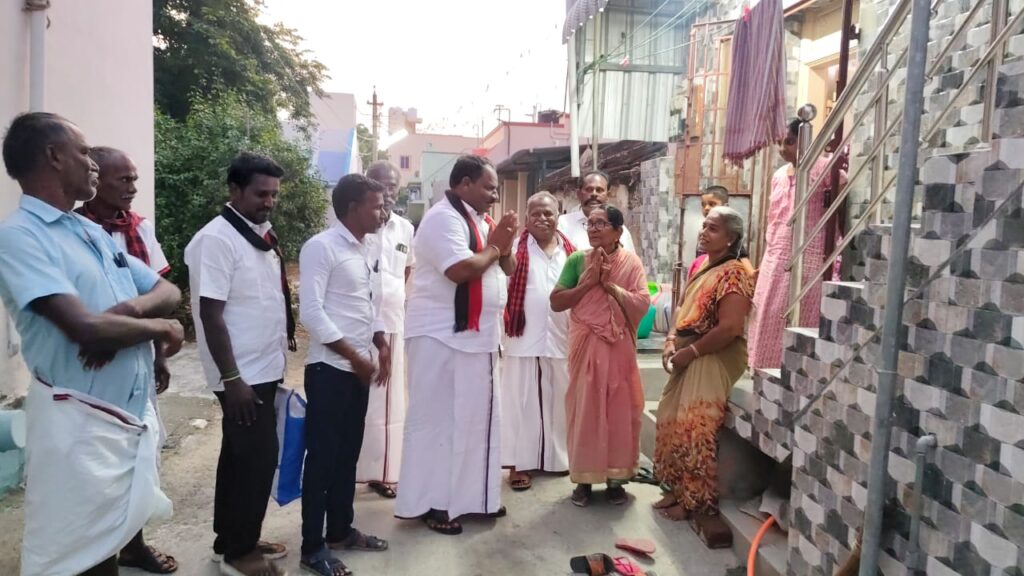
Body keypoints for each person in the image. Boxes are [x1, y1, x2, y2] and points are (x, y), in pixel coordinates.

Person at [0, 112, 184, 576]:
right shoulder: (20, 237)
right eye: (83, 152)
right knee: (77, 561)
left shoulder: (90, 232)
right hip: (78, 428)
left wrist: (130, 313)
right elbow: (84, 329)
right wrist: (160, 328)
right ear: (54, 156)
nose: (93, 164)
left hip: (123, 423)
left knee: (107, 551)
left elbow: (167, 291)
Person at [185, 152, 295, 576]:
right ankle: (240, 553)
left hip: (262, 367)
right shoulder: (216, 240)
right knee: (258, 458)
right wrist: (232, 379)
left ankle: (230, 538)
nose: (269, 202)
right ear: (234, 190)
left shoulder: (258, 234)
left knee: (237, 455)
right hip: (240, 374)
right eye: (260, 194)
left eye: (274, 195)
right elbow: (210, 314)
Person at [395, 155, 518, 535]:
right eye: (489, 188)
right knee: (438, 424)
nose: (495, 196)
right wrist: (496, 247)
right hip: (439, 337)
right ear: (464, 184)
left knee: (475, 423)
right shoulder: (443, 218)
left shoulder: (482, 221)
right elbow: (460, 271)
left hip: (479, 339)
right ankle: (434, 503)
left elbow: (508, 269)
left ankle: (474, 498)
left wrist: (505, 244)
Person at [74, 146, 177, 574]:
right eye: (124, 179)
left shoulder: (139, 229)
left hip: (136, 356)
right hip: (90, 362)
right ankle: (98, 553)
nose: (132, 187)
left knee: (139, 455)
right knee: (97, 463)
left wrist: (158, 356)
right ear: (96, 179)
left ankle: (133, 544)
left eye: (134, 179)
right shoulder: (75, 232)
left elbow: (160, 294)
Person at [299, 174, 391, 576]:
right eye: (377, 205)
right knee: (322, 459)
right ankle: (312, 547)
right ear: (353, 207)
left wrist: (381, 343)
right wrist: (354, 356)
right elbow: (311, 312)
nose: (382, 213)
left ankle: (339, 530)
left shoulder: (366, 247)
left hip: (356, 369)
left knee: (347, 455)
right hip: (330, 370)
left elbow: (365, 304)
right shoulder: (321, 247)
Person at [653, 206, 754, 548]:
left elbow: (730, 328)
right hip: (689, 352)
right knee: (668, 418)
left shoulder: (735, 273)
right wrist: (671, 340)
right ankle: (676, 489)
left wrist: (692, 351)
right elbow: (682, 310)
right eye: (704, 227)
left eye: (713, 229)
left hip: (713, 355)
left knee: (694, 427)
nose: (704, 233)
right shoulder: (702, 266)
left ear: (731, 238)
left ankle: (695, 502)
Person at [550, 204, 648, 507]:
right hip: (586, 343)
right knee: (585, 408)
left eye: (601, 224)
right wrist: (589, 284)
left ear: (618, 231)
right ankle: (584, 481)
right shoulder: (578, 260)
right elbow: (556, 301)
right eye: (590, 224)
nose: (593, 229)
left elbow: (642, 302)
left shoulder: (631, 263)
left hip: (619, 346)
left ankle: (616, 481)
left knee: (620, 409)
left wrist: (611, 287)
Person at [747, 119, 843, 369]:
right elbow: (773, 220)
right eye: (779, 143)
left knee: (801, 312)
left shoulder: (825, 168)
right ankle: (764, 367)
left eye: (789, 142)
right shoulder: (779, 175)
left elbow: (840, 201)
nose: (782, 149)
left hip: (810, 254)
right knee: (768, 311)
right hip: (775, 256)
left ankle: (797, 369)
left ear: (805, 140)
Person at [501, 192, 575, 491]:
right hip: (523, 339)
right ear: (527, 217)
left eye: (548, 213)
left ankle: (556, 460)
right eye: (536, 214)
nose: (542, 219)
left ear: (558, 215)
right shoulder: (514, 250)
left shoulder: (571, 252)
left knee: (559, 403)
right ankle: (518, 463)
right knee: (520, 404)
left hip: (561, 338)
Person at [357, 161, 415, 499]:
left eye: (392, 186)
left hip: (392, 322)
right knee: (359, 401)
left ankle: (383, 473)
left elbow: (405, 272)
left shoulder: (405, 229)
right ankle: (352, 470)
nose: (388, 192)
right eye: (380, 184)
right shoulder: (356, 225)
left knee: (389, 404)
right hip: (356, 326)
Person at [557, 170, 636, 252]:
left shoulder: (617, 229)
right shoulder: (563, 224)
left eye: (599, 190)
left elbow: (629, 258)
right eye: (589, 189)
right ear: (579, 194)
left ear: (608, 195)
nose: (594, 194)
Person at [687, 185, 753, 280]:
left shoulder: (729, 233)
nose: (706, 208)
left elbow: (742, 256)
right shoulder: (702, 232)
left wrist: (751, 274)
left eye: (712, 204)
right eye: (703, 205)